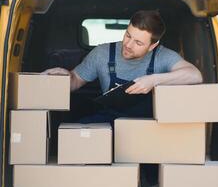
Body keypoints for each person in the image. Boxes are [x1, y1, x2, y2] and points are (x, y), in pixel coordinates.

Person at [43, 10, 203, 123]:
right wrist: (65, 76)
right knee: (78, 132)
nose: (128, 45)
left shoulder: (163, 56)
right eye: (128, 35)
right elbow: (76, 80)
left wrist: (153, 80)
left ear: (152, 46)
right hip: (110, 121)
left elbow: (195, 75)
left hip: (147, 127)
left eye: (138, 42)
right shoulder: (102, 53)